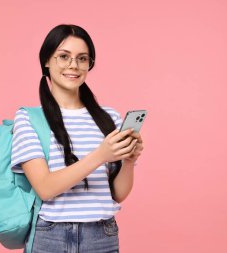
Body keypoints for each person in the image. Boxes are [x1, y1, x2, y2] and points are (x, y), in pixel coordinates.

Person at [10, 24, 144, 253]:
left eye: (82, 59)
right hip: (50, 236)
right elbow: (45, 188)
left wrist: (129, 161)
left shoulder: (109, 118)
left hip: (102, 235)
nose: (74, 65)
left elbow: (117, 195)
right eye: (63, 57)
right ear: (46, 61)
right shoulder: (29, 119)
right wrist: (101, 155)